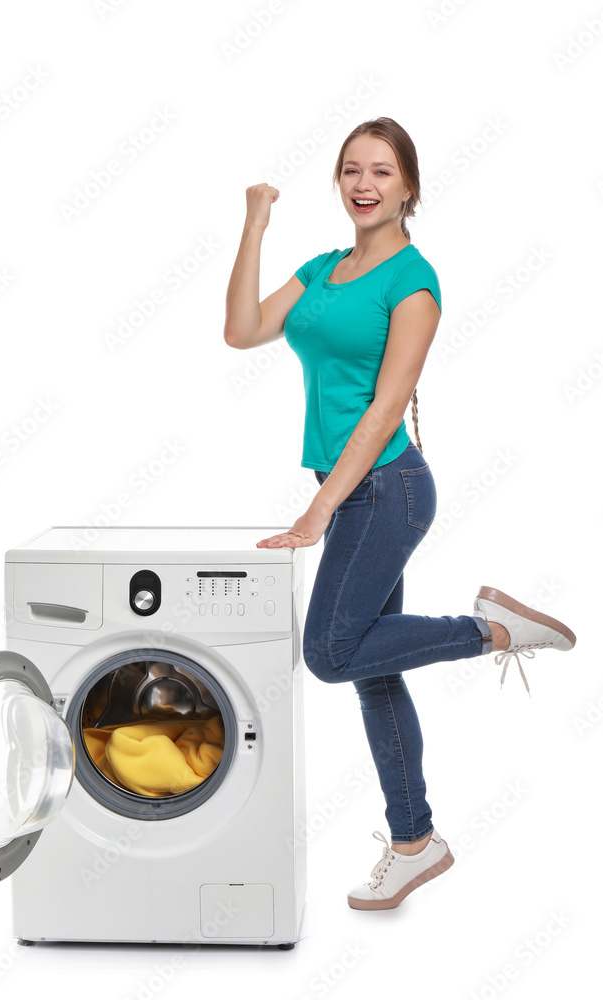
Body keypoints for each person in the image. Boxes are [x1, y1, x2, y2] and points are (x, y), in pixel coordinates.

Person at [223, 116, 577, 911]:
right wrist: (255, 222)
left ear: (409, 186)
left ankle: (489, 630)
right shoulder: (322, 269)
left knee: (328, 651)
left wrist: (318, 511)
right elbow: (241, 329)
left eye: (382, 172)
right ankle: (415, 841)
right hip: (354, 486)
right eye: (351, 169)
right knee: (371, 671)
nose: (364, 184)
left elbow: (384, 412)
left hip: (386, 488)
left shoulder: (413, 282)